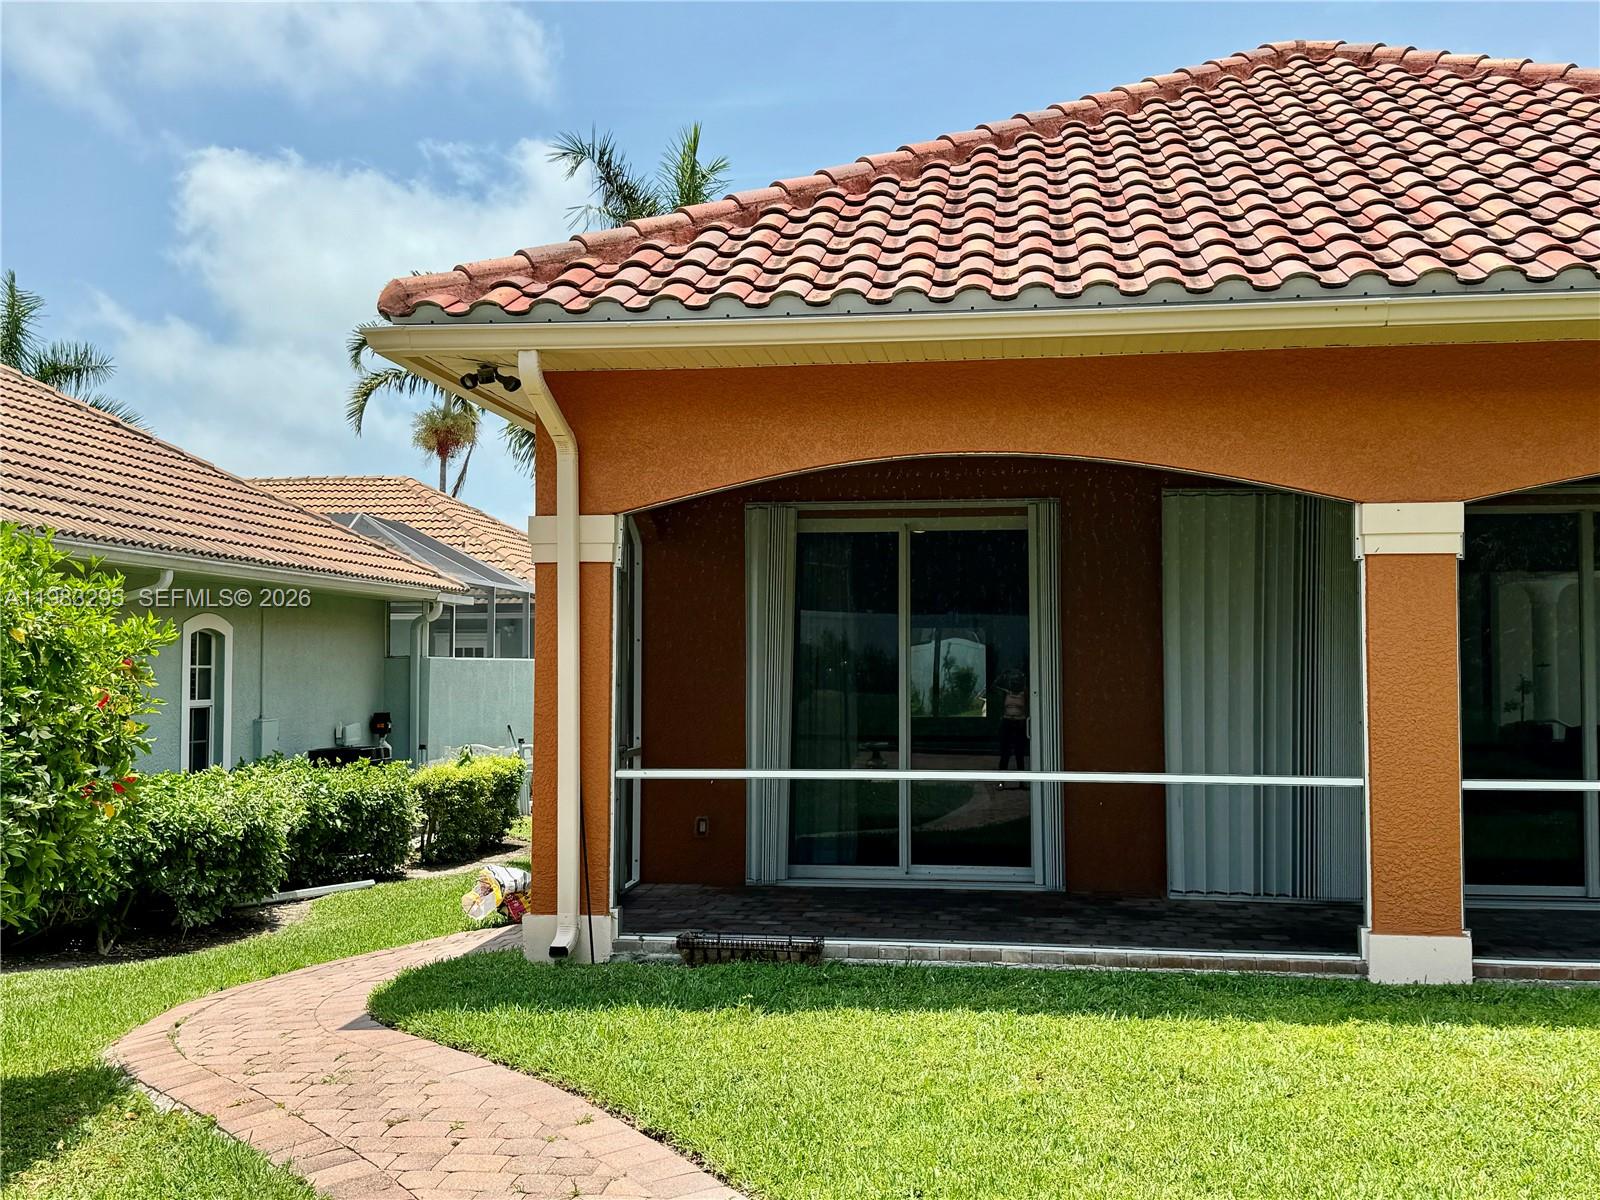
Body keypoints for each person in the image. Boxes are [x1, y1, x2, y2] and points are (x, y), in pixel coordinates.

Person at [996, 667, 1028, 781]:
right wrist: (1003, 673)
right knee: (1005, 753)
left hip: (1020, 723)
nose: (1015, 684)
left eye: (1017, 681)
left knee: (1020, 753)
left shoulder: (1024, 693)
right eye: (1013, 682)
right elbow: (994, 686)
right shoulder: (1006, 693)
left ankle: (1022, 781)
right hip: (1007, 722)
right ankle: (1001, 781)